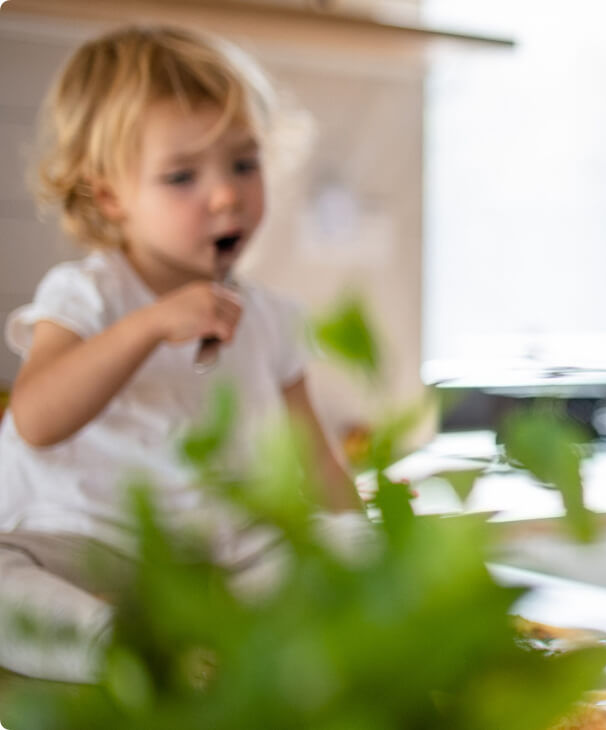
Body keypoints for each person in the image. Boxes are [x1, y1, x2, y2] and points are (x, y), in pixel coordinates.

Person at [0, 25, 359, 682]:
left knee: (348, 545)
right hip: (82, 540)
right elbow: (35, 417)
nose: (226, 194)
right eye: (182, 175)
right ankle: (116, 649)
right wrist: (148, 327)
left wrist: (371, 558)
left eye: (244, 164)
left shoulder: (272, 319)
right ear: (109, 196)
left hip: (214, 554)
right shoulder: (87, 293)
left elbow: (320, 464)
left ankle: (209, 647)